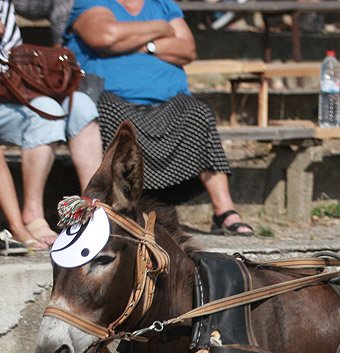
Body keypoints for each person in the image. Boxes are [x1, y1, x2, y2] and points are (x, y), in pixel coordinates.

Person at [65, 0, 255, 234]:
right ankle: (111, 209)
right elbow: (104, 37)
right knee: (113, 115)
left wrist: (144, 46)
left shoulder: (163, 4)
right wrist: (161, 29)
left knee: (198, 113)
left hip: (169, 98)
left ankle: (224, 211)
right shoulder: (92, 2)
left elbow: (187, 49)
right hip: (111, 97)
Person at [1, 0, 102, 246]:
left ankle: (97, 208)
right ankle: (31, 216)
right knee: (46, 110)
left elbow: (13, 51)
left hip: (11, 87)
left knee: (80, 104)